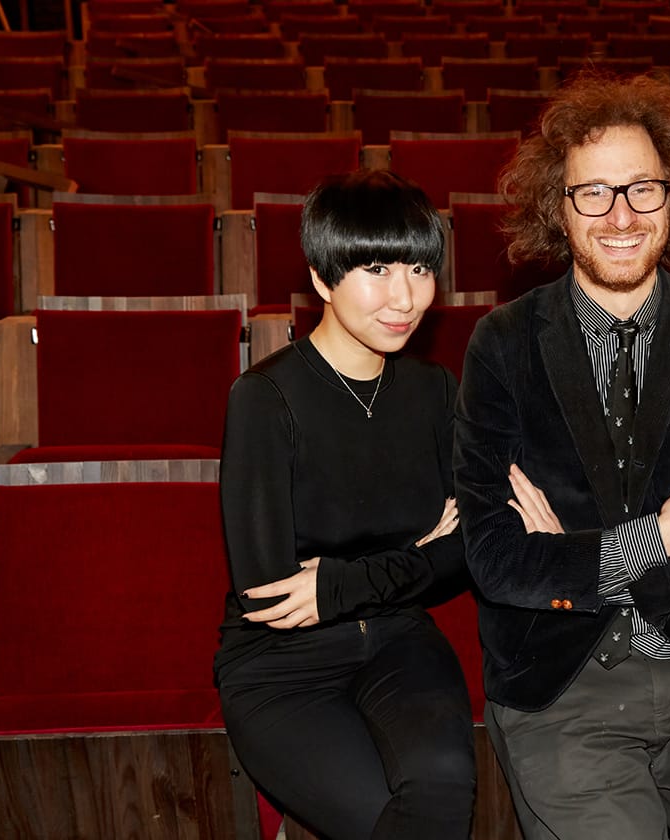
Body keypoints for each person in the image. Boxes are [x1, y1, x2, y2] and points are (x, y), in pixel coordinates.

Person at [453, 73, 670, 840]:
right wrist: (664, 535)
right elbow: (500, 561)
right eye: (592, 193)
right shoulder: (501, 346)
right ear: (558, 206)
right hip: (559, 680)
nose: (620, 216)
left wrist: (575, 558)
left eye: (642, 189)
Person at [213, 169, 476, 840]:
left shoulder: (434, 390)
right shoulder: (264, 399)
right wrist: (416, 556)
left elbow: (468, 551)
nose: (405, 296)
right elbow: (269, 593)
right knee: (394, 822)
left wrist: (338, 583)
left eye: (421, 269)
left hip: (400, 641)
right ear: (323, 280)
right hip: (280, 670)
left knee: (443, 789)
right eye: (378, 268)